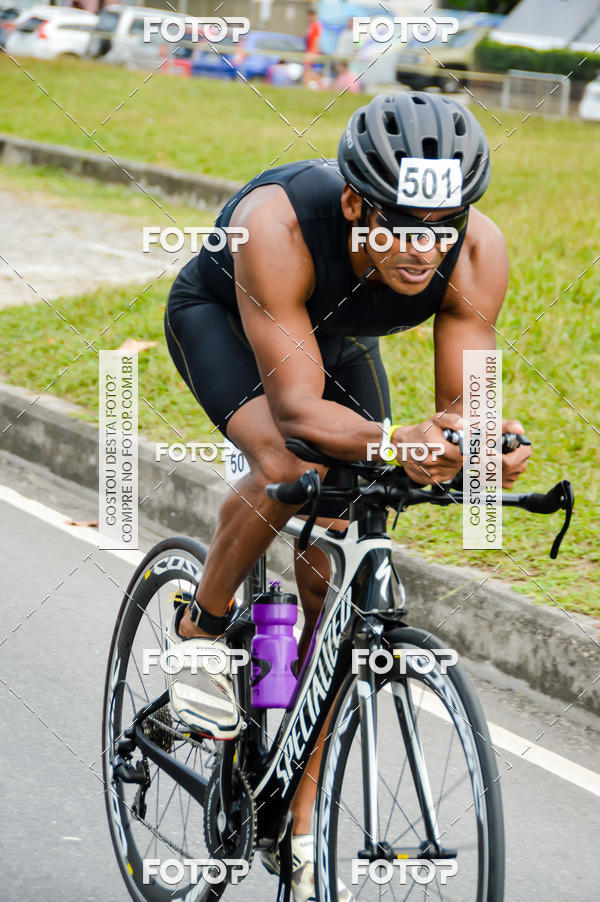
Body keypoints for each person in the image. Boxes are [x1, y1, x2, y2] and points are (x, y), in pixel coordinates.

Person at [163, 91, 531, 900]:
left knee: (341, 555)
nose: (421, 248)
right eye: (400, 222)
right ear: (357, 202)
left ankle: (300, 801)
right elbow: (296, 412)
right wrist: (400, 442)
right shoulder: (277, 224)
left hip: (338, 339)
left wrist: (478, 445)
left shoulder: (476, 250)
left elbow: (464, 400)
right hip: (224, 316)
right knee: (285, 470)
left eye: (442, 224)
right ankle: (202, 629)